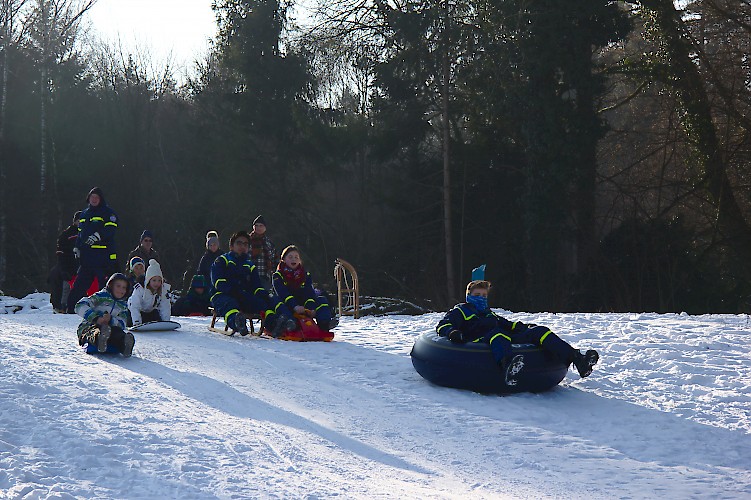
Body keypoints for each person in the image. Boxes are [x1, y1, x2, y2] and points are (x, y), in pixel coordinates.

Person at [436, 280, 599, 378]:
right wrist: (452, 333)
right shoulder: (461, 311)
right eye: (478, 295)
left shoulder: (489, 314)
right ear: (469, 296)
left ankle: (578, 360)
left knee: (539, 331)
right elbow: (443, 325)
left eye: (484, 296)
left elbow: (508, 325)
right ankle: (507, 365)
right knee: (497, 333)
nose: (482, 299)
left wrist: (526, 328)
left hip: (502, 338)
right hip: (478, 342)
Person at [210, 231, 295, 337]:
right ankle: (237, 322)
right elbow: (218, 282)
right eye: (239, 243)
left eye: (245, 244)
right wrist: (234, 291)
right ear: (231, 246)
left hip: (244, 295)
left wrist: (264, 295)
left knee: (262, 303)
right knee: (229, 304)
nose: (242, 246)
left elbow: (256, 286)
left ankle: (274, 324)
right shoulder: (222, 260)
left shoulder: (250, 265)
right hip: (223, 294)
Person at [66, 187, 119, 313]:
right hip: (87, 259)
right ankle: (71, 311)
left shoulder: (108, 213)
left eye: (97, 197)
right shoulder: (84, 214)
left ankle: (108, 311)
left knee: (105, 288)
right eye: (92, 197)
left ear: (101, 199)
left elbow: (111, 229)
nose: (94, 200)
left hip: (103, 258)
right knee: (78, 287)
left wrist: (98, 236)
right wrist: (77, 247)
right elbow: (80, 233)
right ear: (88, 198)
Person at [273, 245, 337, 332]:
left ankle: (325, 323)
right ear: (283, 260)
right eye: (290, 257)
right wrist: (295, 306)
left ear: (300, 260)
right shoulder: (278, 276)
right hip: (288, 304)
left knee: (322, 300)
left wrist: (310, 308)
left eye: (296, 257)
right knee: (277, 301)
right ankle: (289, 323)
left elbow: (309, 292)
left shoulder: (305, 275)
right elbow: (282, 293)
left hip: (303, 304)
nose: (293, 259)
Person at [74, 273, 134, 357]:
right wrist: (96, 318)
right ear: (111, 285)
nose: (121, 290)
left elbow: (122, 323)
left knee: (117, 332)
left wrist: (111, 320)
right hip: (89, 326)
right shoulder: (100, 297)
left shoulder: (123, 305)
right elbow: (80, 305)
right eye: (118, 286)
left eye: (124, 288)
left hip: (109, 330)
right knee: (94, 331)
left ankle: (124, 345)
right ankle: (99, 340)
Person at [49, 210, 81, 313]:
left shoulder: (87, 233)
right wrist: (64, 266)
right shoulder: (67, 234)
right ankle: (60, 305)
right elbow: (60, 252)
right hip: (67, 262)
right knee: (60, 278)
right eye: (79, 220)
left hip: (82, 263)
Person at [128, 259, 171, 325]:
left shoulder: (162, 290)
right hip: (135, 312)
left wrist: (166, 321)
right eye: (154, 280)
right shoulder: (140, 288)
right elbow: (135, 305)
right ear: (149, 280)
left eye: (159, 280)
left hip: (150, 310)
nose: (156, 283)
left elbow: (165, 305)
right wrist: (136, 321)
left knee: (156, 316)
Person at [249, 215, 275, 290]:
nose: (258, 228)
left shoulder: (269, 243)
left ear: (265, 228)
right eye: (256, 226)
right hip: (250, 277)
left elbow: (274, 259)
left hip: (265, 277)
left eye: (261, 226)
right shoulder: (247, 241)